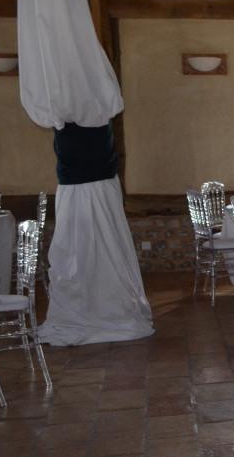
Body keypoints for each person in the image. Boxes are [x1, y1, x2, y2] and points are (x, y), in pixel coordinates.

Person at [37, 122, 153, 346]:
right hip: (81, 184)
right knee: (80, 252)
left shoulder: (92, 117)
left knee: (104, 251)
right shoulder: (85, 116)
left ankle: (103, 308)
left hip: (93, 182)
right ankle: (93, 308)